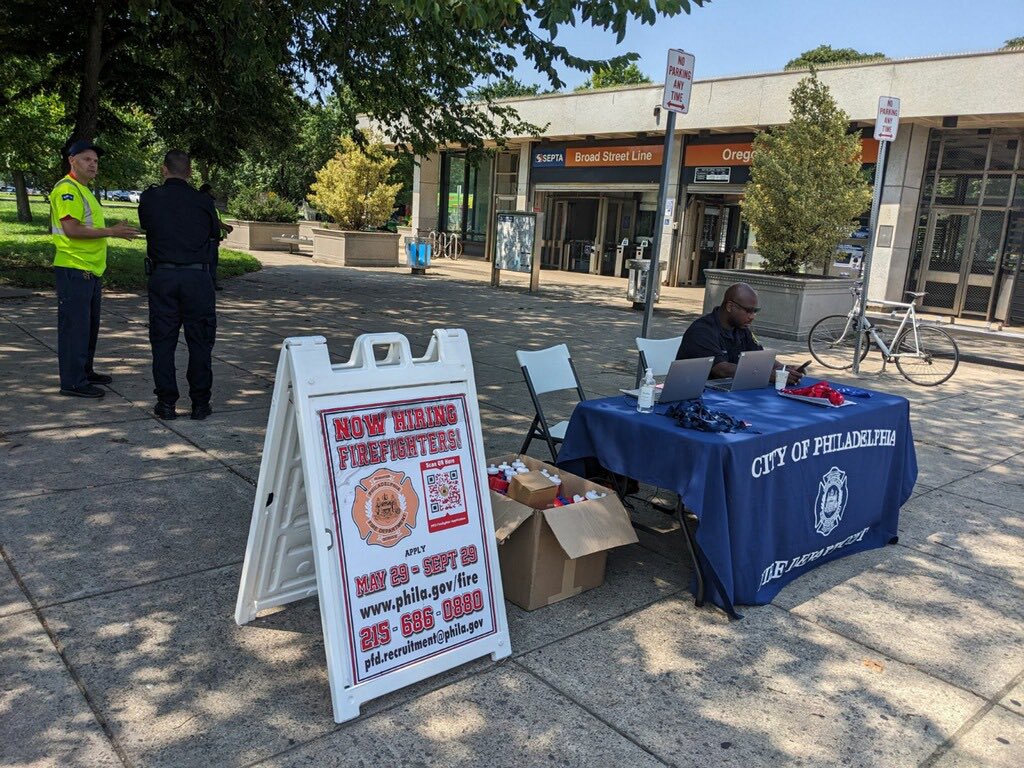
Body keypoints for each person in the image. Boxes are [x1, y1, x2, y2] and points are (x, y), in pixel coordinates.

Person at [49, 139, 139, 398]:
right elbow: (72, 229)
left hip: (90, 269)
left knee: (87, 327)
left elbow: (87, 226)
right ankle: (72, 382)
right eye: (87, 159)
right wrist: (111, 231)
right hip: (74, 267)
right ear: (72, 160)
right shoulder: (67, 190)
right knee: (74, 328)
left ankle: (84, 371)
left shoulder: (84, 190)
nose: (93, 164)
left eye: (96, 161)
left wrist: (109, 230)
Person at [138, 150, 219, 420]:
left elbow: (147, 225)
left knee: (163, 341)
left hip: (163, 277)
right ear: (190, 172)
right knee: (200, 341)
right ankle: (200, 403)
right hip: (197, 278)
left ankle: (166, 403)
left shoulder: (150, 198)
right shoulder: (203, 201)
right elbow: (213, 234)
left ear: (164, 170)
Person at [676, 282, 803, 385]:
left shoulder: (741, 329)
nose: (752, 316)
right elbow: (721, 370)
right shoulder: (702, 330)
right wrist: (768, 375)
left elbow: (760, 357)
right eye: (748, 311)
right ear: (730, 306)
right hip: (696, 396)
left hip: (726, 392)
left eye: (755, 311)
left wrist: (784, 369)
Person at [198, 183, 232, 290]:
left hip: (206, 238)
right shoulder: (208, 202)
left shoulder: (199, 201)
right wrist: (226, 227)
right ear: (208, 191)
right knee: (211, 262)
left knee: (207, 262)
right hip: (210, 239)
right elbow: (214, 220)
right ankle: (210, 284)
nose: (214, 192)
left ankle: (207, 283)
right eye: (212, 190)